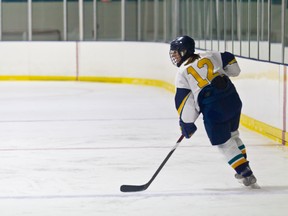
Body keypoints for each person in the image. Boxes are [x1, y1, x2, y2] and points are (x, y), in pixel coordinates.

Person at [169, 35, 257, 187]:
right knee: (233, 134)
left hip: (214, 107)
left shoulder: (182, 72)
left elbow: (185, 102)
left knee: (223, 142)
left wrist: (186, 123)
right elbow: (232, 64)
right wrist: (220, 74)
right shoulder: (209, 54)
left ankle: (245, 173)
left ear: (185, 51)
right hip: (232, 99)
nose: (174, 56)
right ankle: (244, 166)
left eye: (177, 52)